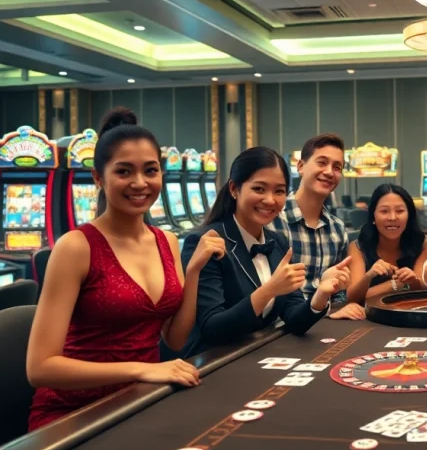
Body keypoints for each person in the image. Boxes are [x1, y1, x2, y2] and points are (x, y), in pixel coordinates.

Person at [26, 108, 226, 431]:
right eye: (124, 172)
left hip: (138, 401)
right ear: (98, 178)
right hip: (72, 414)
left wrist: (193, 274)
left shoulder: (167, 241)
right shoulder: (76, 247)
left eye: (150, 170)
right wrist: (140, 369)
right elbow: (39, 368)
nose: (140, 183)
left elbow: (174, 340)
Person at [177, 147, 351, 357]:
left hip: (253, 354)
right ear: (234, 189)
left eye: (279, 191)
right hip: (210, 365)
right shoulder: (206, 242)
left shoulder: (276, 241)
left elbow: (294, 318)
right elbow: (213, 329)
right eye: (259, 189)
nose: (270, 200)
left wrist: (322, 293)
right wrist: (269, 290)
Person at [268, 134, 361, 320]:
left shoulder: (337, 229)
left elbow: (337, 292)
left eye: (337, 167)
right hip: (276, 330)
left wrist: (333, 308)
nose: (329, 172)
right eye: (322, 163)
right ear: (301, 167)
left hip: (321, 322)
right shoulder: (271, 219)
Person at [346, 184, 427, 304]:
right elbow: (353, 298)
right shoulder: (358, 247)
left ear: (409, 215)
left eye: (400, 211)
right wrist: (370, 276)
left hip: (408, 313)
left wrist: (412, 280)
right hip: (368, 316)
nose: (392, 217)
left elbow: (422, 290)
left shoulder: (420, 243)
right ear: (373, 217)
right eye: (384, 211)